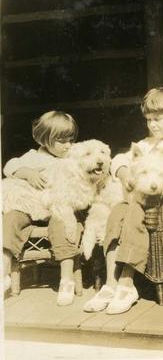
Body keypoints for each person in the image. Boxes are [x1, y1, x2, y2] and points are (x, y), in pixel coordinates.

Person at [83, 87, 163, 315]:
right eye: (149, 119)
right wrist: (124, 173)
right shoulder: (145, 144)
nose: (153, 124)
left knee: (132, 211)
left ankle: (126, 282)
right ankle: (110, 284)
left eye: (159, 119)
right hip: (141, 203)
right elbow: (120, 159)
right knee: (116, 213)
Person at [2, 110, 81, 306]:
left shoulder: (71, 159)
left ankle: (66, 279)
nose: (68, 145)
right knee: (11, 218)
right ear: (45, 140)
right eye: (62, 141)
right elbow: (9, 166)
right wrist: (27, 173)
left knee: (61, 221)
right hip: (31, 207)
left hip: (57, 206)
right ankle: (3, 272)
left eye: (71, 140)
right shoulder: (32, 157)